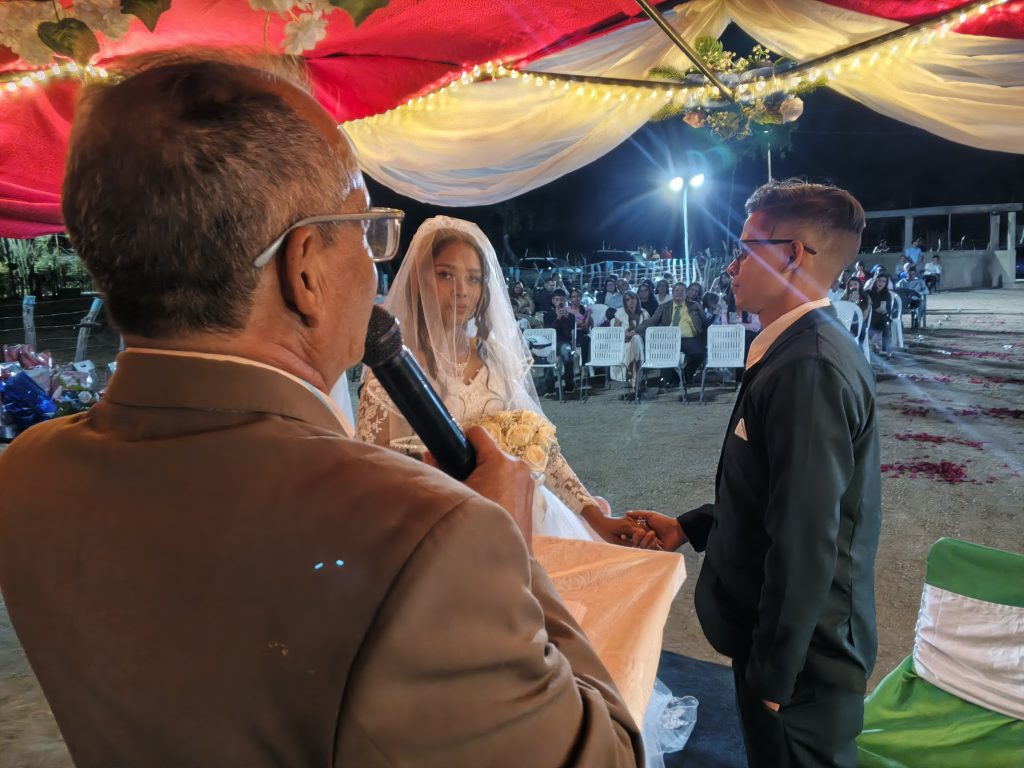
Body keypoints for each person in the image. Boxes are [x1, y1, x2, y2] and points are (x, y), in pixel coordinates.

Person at [0, 54, 643, 767]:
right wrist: (509, 556)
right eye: (367, 231)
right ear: (304, 268)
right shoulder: (434, 537)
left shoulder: (25, 474)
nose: (377, 268)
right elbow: (606, 756)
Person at [629, 179, 881, 768]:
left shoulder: (810, 366)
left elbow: (805, 539)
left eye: (746, 249)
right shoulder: (796, 347)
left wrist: (772, 679)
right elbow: (773, 496)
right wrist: (691, 527)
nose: (731, 265)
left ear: (793, 255)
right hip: (783, 646)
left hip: (802, 663)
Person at [356, 216, 636, 547]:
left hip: (528, 520)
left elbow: (540, 448)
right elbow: (373, 475)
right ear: (419, 280)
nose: (461, 290)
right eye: (445, 274)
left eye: (473, 279)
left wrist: (593, 514)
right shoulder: (393, 372)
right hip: (442, 537)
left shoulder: (496, 358)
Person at [637, 281, 707, 388]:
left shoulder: (695, 306)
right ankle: (674, 379)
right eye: (677, 290)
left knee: (700, 352)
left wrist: (704, 338)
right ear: (672, 293)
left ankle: (685, 375)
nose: (679, 292)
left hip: (689, 339)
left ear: (686, 293)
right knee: (658, 354)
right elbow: (652, 321)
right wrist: (635, 330)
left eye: (682, 291)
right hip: (669, 339)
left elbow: (705, 322)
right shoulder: (664, 307)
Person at [611, 290, 648, 391]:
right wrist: (625, 334)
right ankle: (636, 377)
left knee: (636, 339)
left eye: (633, 298)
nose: (631, 301)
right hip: (624, 344)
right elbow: (615, 333)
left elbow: (647, 332)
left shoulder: (644, 313)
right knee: (635, 340)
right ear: (625, 303)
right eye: (628, 300)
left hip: (641, 344)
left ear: (637, 300)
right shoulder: (620, 313)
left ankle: (632, 372)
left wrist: (632, 334)